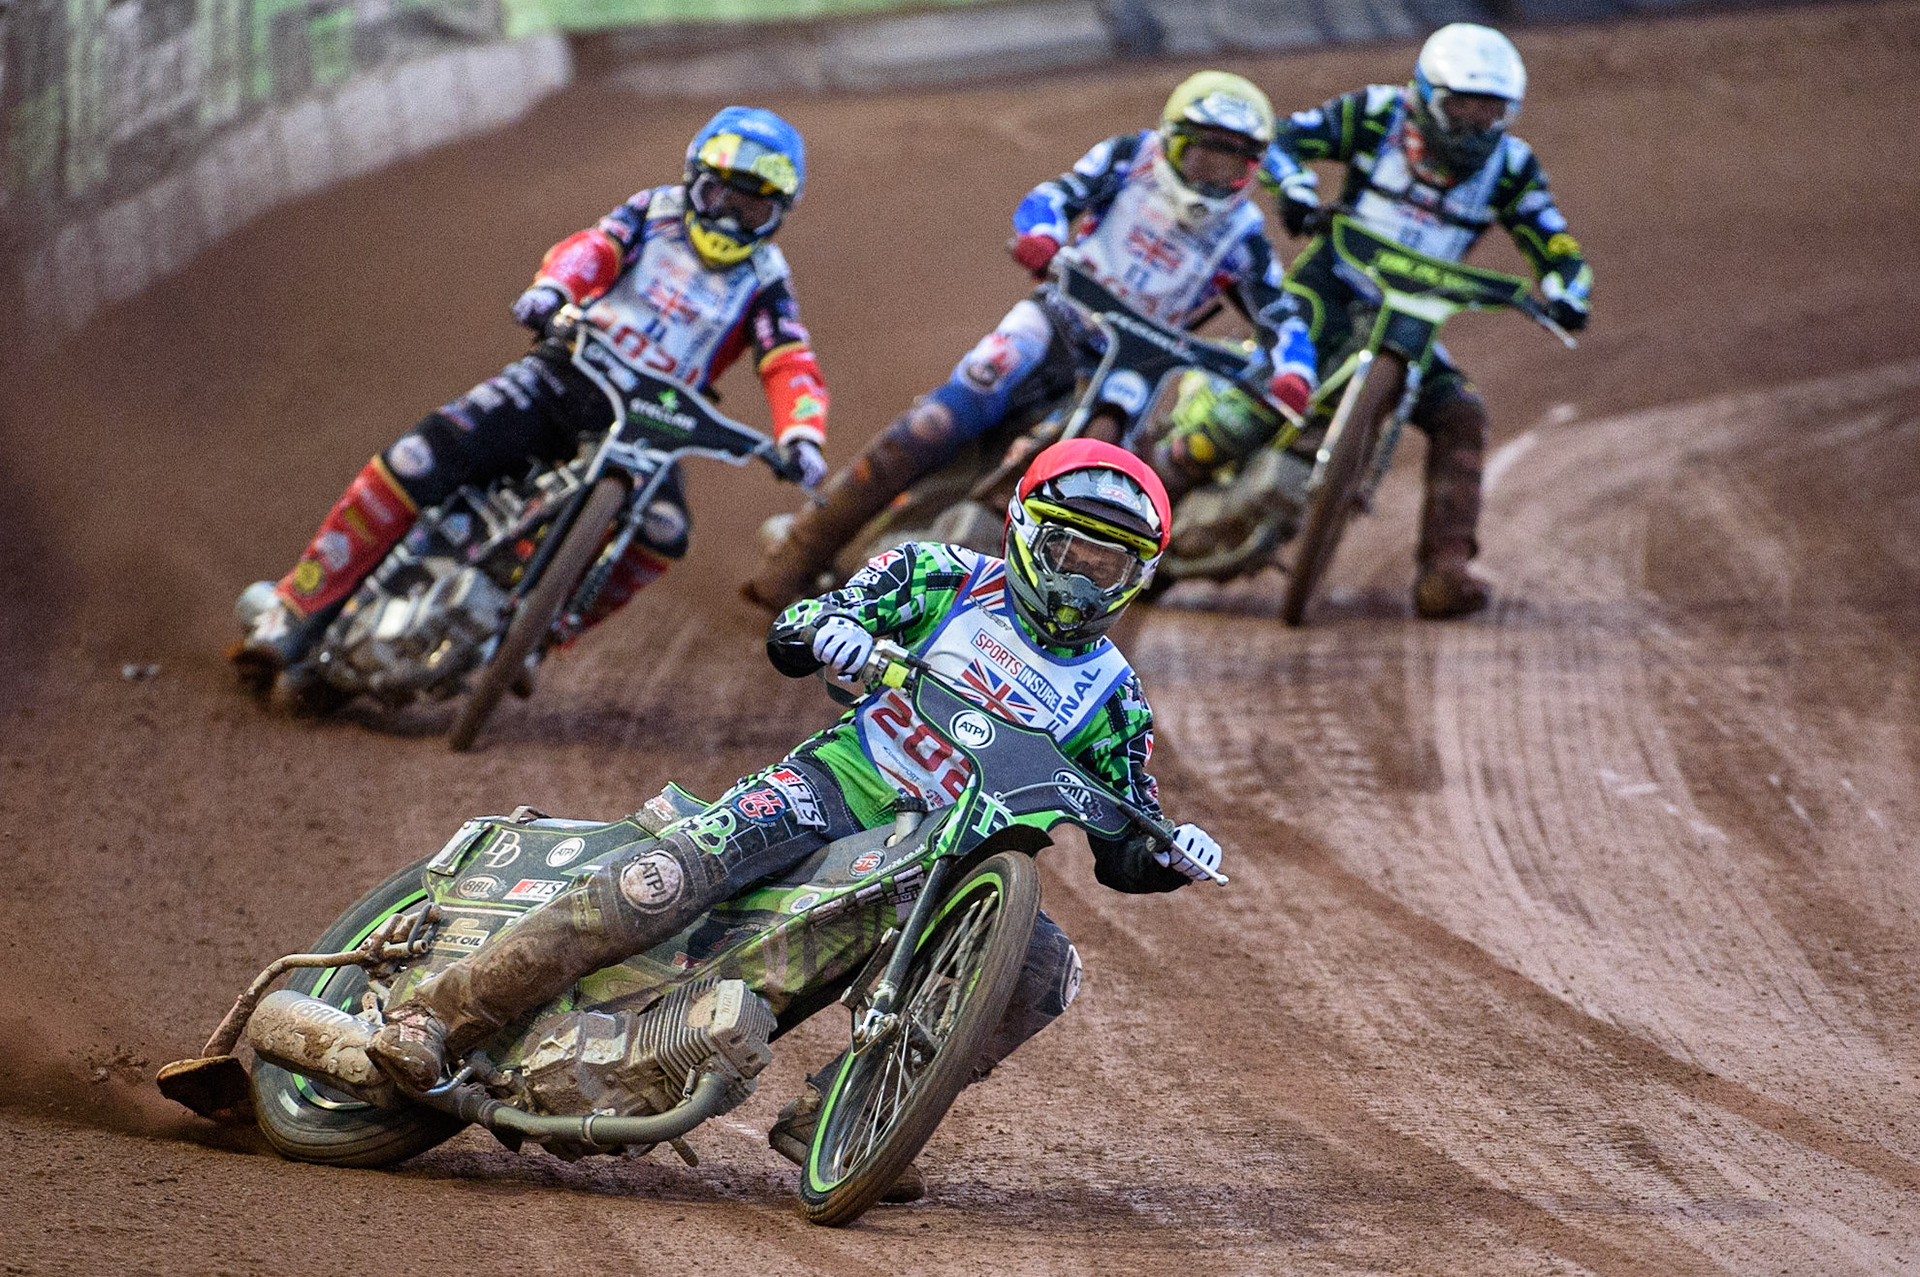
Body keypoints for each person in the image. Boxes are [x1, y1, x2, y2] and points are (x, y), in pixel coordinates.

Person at [365, 439, 1226, 1201]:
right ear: (1028, 532)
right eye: (1070, 550)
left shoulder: (1115, 699)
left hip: (946, 872)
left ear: (1137, 574)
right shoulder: (940, 576)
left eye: (1106, 566)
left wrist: (1174, 851)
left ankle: (845, 1117)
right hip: (833, 790)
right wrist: (835, 632)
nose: (1081, 578)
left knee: (1043, 966)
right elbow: (802, 623)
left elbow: (1128, 836)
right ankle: (437, 1015)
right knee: (665, 879)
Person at [231, 106, 832, 690]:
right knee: (415, 460)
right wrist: (554, 289)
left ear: (777, 214)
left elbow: (788, 358)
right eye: (717, 196)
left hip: (655, 425)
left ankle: (541, 635)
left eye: (749, 206)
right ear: (692, 182)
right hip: (564, 376)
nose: (727, 219)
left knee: (663, 532)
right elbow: (594, 249)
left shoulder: (766, 280)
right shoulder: (653, 213)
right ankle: (294, 609)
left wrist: (801, 431)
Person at [739, 70, 1317, 613]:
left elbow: (1282, 316)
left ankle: (1002, 590)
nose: (1211, 177)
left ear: (1251, 171)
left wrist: (1294, 370)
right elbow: (1054, 195)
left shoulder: (1244, 238)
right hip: (1058, 316)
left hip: (1131, 366)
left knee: (1099, 468)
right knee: (936, 424)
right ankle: (800, 549)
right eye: (1202, 155)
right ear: (1171, 143)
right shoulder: (1128, 159)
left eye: (1230, 166)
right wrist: (1040, 234)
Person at [1155, 23, 1593, 619]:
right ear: (1425, 96)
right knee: (1254, 402)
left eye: (1489, 111)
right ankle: (1130, 526)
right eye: (1461, 106)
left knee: (1461, 415)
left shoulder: (1512, 167)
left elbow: (1552, 240)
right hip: (1329, 293)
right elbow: (1280, 140)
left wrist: (1569, 285)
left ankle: (1446, 570)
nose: (1472, 125)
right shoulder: (1375, 114)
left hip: (1412, 321)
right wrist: (1296, 185)